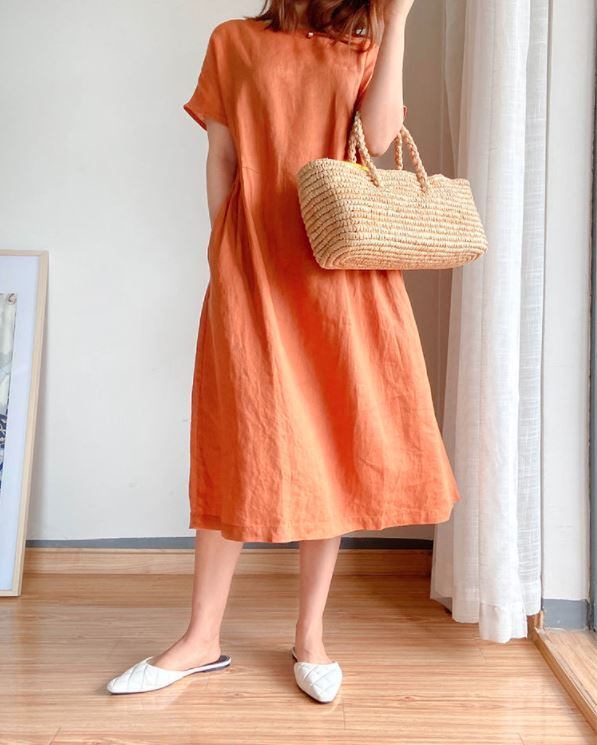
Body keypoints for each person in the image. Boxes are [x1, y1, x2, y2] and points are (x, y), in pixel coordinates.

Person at [107, 0, 460, 703]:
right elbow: (222, 155)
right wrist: (223, 254)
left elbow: (379, 141)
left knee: (329, 442)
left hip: (339, 272)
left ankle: (310, 637)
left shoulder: (361, 44)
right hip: (254, 266)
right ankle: (201, 637)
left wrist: (397, 22)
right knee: (235, 440)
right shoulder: (233, 41)